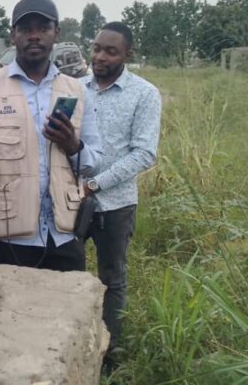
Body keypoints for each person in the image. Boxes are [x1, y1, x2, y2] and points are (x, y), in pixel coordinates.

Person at [0, 0, 102, 272]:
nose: (34, 36)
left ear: (56, 32)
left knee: (67, 312)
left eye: (43, 28)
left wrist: (73, 146)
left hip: (65, 233)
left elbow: (94, 163)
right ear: (13, 35)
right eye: (25, 29)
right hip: (10, 236)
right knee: (16, 314)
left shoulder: (77, 90)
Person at [81, 21, 161, 363]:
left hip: (115, 205)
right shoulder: (75, 88)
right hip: (73, 201)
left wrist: (96, 184)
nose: (100, 56)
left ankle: (111, 355)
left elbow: (144, 153)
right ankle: (71, 345)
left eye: (110, 51)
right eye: (97, 48)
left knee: (112, 279)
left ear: (128, 54)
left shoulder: (144, 94)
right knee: (64, 274)